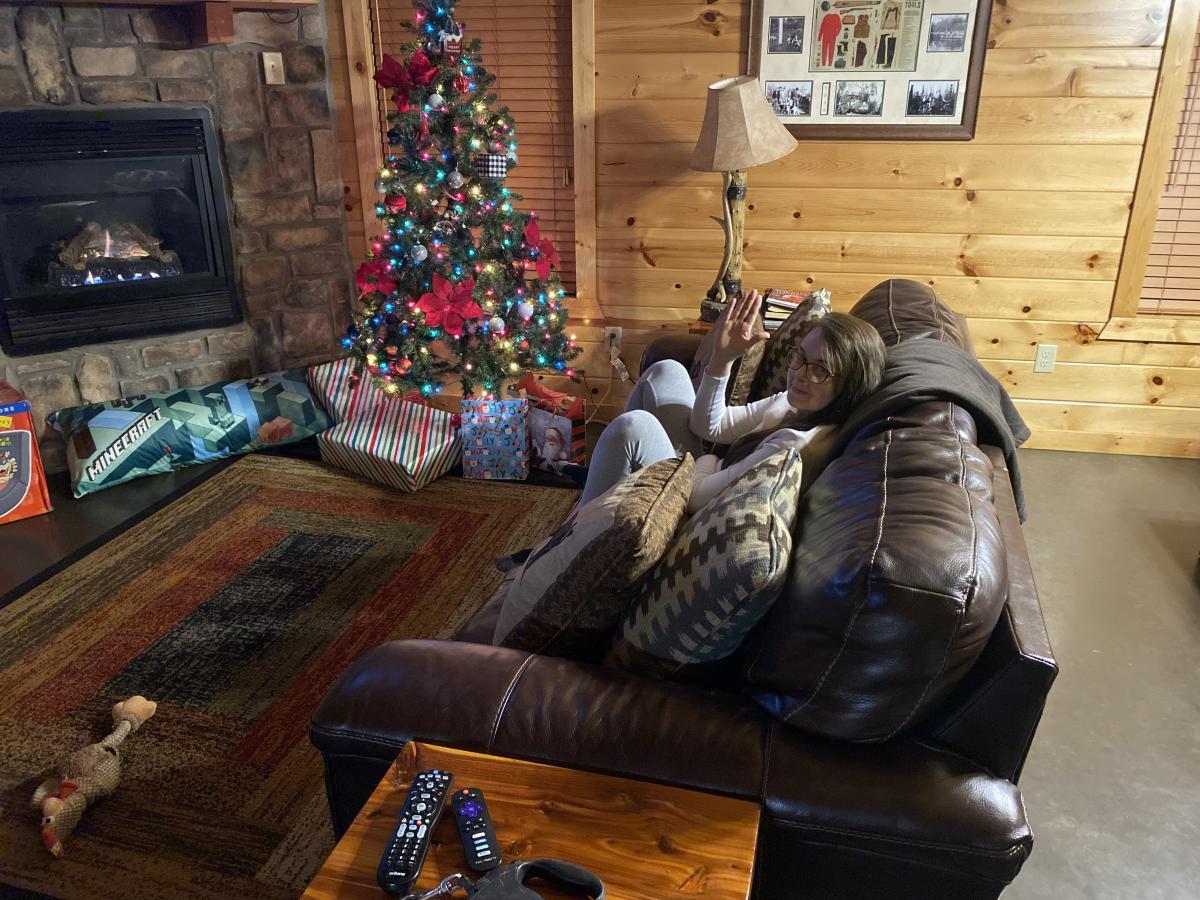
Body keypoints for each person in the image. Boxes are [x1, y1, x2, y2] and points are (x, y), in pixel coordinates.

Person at [578, 290, 887, 512]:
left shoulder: (793, 445)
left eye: (820, 369)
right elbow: (709, 426)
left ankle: (577, 532)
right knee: (667, 370)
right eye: (800, 358)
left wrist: (709, 461)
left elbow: (697, 498)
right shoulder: (794, 404)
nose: (800, 374)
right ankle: (600, 489)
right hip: (702, 474)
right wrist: (722, 359)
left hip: (688, 503)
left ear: (849, 384)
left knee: (633, 428)